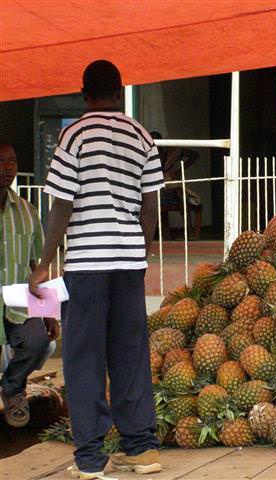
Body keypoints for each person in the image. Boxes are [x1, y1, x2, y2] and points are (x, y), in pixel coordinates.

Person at [28, 60, 164, 478]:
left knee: (85, 358)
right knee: (129, 353)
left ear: (84, 93)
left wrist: (44, 263)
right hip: (128, 264)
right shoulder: (140, 134)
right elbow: (151, 206)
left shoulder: (75, 134)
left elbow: (62, 204)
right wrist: (137, 250)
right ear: (120, 92)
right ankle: (141, 448)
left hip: (87, 264)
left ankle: (89, 458)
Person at [0, 142, 57, 428]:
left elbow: (37, 267)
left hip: (18, 301)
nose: (8, 168)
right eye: (1, 161)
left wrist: (47, 309)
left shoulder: (27, 211)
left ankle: (12, 390)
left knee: (37, 344)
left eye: (12, 161)